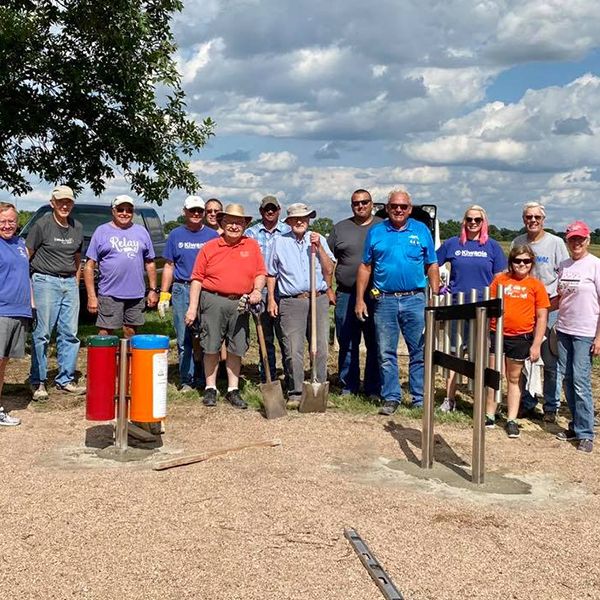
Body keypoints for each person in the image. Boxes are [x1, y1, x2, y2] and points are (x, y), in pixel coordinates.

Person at [356, 189, 439, 415]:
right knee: (386, 352)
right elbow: (365, 266)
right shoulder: (376, 232)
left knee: (419, 351)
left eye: (403, 206)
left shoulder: (421, 230)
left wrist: (436, 294)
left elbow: (432, 264)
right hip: (384, 301)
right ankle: (391, 396)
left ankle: (419, 398)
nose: (399, 210)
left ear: (410, 209)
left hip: (415, 299)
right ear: (387, 208)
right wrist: (360, 299)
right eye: (394, 206)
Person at [185, 204, 266, 409]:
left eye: (238, 222)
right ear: (222, 223)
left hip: (241, 302)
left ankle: (232, 389)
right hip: (213, 300)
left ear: (245, 225)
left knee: (236, 347)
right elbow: (197, 279)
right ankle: (210, 388)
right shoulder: (210, 247)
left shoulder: (252, 246)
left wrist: (257, 291)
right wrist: (193, 308)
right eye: (229, 221)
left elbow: (260, 273)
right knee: (211, 345)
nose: (234, 226)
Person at [436, 205, 506, 411]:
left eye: (477, 220)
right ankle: (449, 399)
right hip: (458, 308)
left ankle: (484, 403)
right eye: (469, 219)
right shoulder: (452, 244)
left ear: (484, 223)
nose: (473, 223)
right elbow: (432, 263)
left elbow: (500, 278)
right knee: (454, 354)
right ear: (464, 221)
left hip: (482, 310)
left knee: (481, 355)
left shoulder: (492, 247)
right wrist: (439, 287)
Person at [267, 203, 335, 406]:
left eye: (303, 218)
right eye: (295, 219)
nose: (300, 221)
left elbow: (329, 269)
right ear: (288, 222)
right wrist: (271, 298)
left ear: (309, 220)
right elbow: (271, 273)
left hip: (318, 298)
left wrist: (319, 248)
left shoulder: (318, 239)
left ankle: (319, 387)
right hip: (291, 301)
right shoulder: (279, 242)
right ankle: (295, 392)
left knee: (320, 346)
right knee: (293, 348)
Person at [511, 202, 569, 423]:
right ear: (523, 219)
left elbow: (564, 276)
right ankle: (527, 402)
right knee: (524, 358)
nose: (532, 220)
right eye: (528, 217)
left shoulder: (555, 243)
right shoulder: (518, 242)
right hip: (524, 310)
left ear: (543, 219)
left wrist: (553, 304)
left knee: (549, 360)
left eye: (537, 217)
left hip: (550, 308)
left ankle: (551, 406)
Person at [27, 185, 84, 400]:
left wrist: (74, 281)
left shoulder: (77, 227)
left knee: (70, 333)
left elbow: (78, 257)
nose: (64, 205)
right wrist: (28, 286)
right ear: (52, 203)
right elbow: (27, 255)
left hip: (69, 282)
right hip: (44, 281)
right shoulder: (41, 226)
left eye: (68, 201)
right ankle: (38, 381)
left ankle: (65, 379)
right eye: (60, 201)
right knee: (42, 334)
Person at [485, 245, 549, 438]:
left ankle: (511, 419)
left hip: (520, 338)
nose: (522, 264)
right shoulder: (500, 280)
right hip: (497, 334)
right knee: (494, 376)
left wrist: (536, 344)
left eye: (526, 261)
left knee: (514, 379)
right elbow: (489, 306)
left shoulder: (536, 285)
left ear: (531, 263)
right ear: (511, 262)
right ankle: (490, 414)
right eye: (517, 260)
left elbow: (542, 317)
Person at [158, 196, 219, 392]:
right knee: (184, 336)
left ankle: (204, 378)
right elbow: (169, 265)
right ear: (184, 211)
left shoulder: (212, 237)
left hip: (206, 290)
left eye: (199, 211)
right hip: (182, 288)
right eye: (192, 210)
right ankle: (187, 379)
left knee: (205, 335)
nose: (196, 214)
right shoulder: (175, 235)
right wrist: (164, 294)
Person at [328, 189, 382, 397]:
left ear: (372, 204)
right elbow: (328, 260)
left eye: (364, 202)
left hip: (375, 295)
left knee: (374, 342)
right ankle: (348, 385)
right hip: (346, 294)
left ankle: (373, 388)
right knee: (347, 341)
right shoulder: (340, 228)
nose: (360, 206)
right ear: (351, 206)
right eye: (356, 203)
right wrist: (328, 288)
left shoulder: (382, 227)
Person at [554, 221, 600, 453]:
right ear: (567, 241)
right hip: (564, 329)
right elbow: (560, 297)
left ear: (588, 240)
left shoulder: (595, 266)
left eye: (580, 239)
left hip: (585, 332)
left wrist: (599, 337)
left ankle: (586, 433)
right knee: (567, 379)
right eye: (572, 239)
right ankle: (576, 424)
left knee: (581, 382)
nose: (577, 243)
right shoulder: (564, 265)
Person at [83, 195, 158, 337]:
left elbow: (150, 262)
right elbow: (89, 266)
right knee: (105, 333)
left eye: (128, 210)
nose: (124, 213)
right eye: (120, 209)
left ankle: (128, 359)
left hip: (136, 294)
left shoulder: (141, 232)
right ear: (113, 211)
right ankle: (105, 359)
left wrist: (153, 290)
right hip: (109, 293)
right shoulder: (101, 231)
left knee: (131, 333)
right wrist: (92, 296)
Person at [245, 195, 290, 382]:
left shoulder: (288, 231)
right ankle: (268, 375)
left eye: (273, 208)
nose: (270, 212)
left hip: (285, 288)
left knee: (286, 336)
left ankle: (290, 375)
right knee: (265, 336)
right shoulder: (251, 234)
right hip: (260, 290)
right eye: (266, 209)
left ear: (279, 210)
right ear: (261, 211)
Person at [0, 202, 33, 426]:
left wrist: (32, 304)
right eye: (2, 221)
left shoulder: (21, 244)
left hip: (18, 311)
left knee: (3, 363)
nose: (7, 225)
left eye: (11, 220)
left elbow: (24, 275)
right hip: (1, 310)